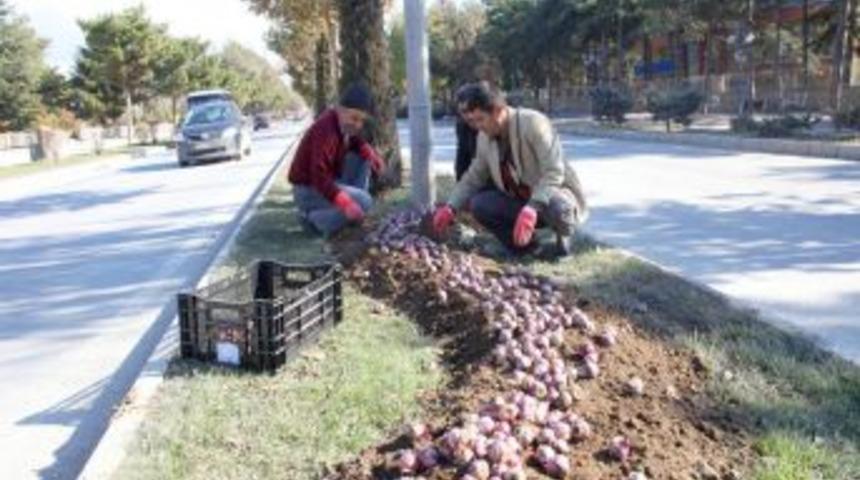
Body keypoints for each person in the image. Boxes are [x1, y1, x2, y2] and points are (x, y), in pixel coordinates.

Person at [431, 82, 588, 257]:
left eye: (480, 119)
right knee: (480, 204)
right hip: (520, 200)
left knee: (558, 207)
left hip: (551, 197)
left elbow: (554, 172)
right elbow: (473, 177)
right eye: (471, 121)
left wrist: (533, 207)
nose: (476, 127)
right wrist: (451, 207)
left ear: (498, 111)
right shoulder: (484, 137)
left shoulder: (534, 123)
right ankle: (525, 248)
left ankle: (563, 239)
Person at [288, 83, 385, 237]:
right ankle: (312, 220)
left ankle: (354, 214)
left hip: (326, 182)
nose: (358, 125)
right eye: (354, 118)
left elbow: (353, 142)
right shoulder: (325, 131)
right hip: (307, 189)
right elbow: (318, 177)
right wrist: (346, 203)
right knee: (365, 201)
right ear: (340, 109)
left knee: (363, 158)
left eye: (361, 121)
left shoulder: (340, 123)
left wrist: (368, 152)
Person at [454, 84, 480, 180]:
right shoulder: (462, 126)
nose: (469, 116)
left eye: (472, 110)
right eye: (464, 112)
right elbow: (462, 158)